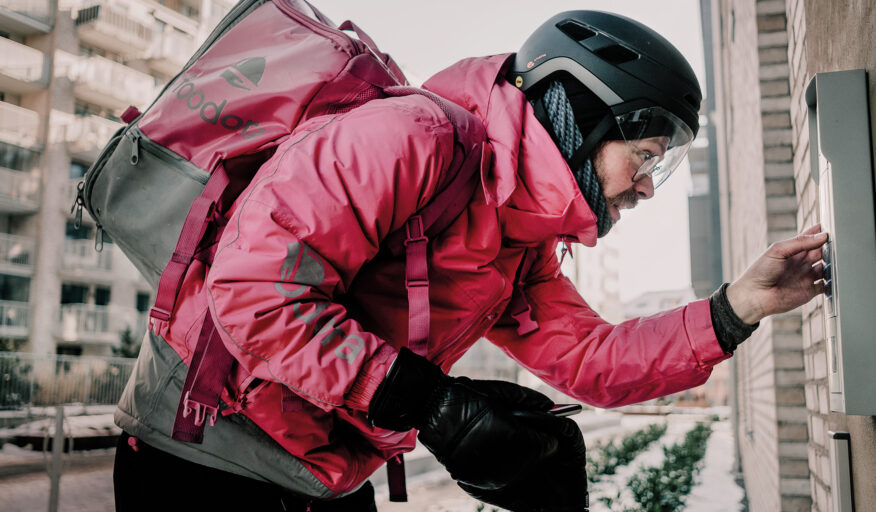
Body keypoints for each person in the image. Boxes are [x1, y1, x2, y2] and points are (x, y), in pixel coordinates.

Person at [112, 7, 827, 512]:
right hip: (201, 458)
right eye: (642, 157)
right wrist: (433, 405)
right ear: (578, 117)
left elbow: (592, 361)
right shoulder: (406, 139)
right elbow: (256, 291)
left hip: (320, 477)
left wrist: (740, 307)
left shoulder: (519, 244)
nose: (644, 187)